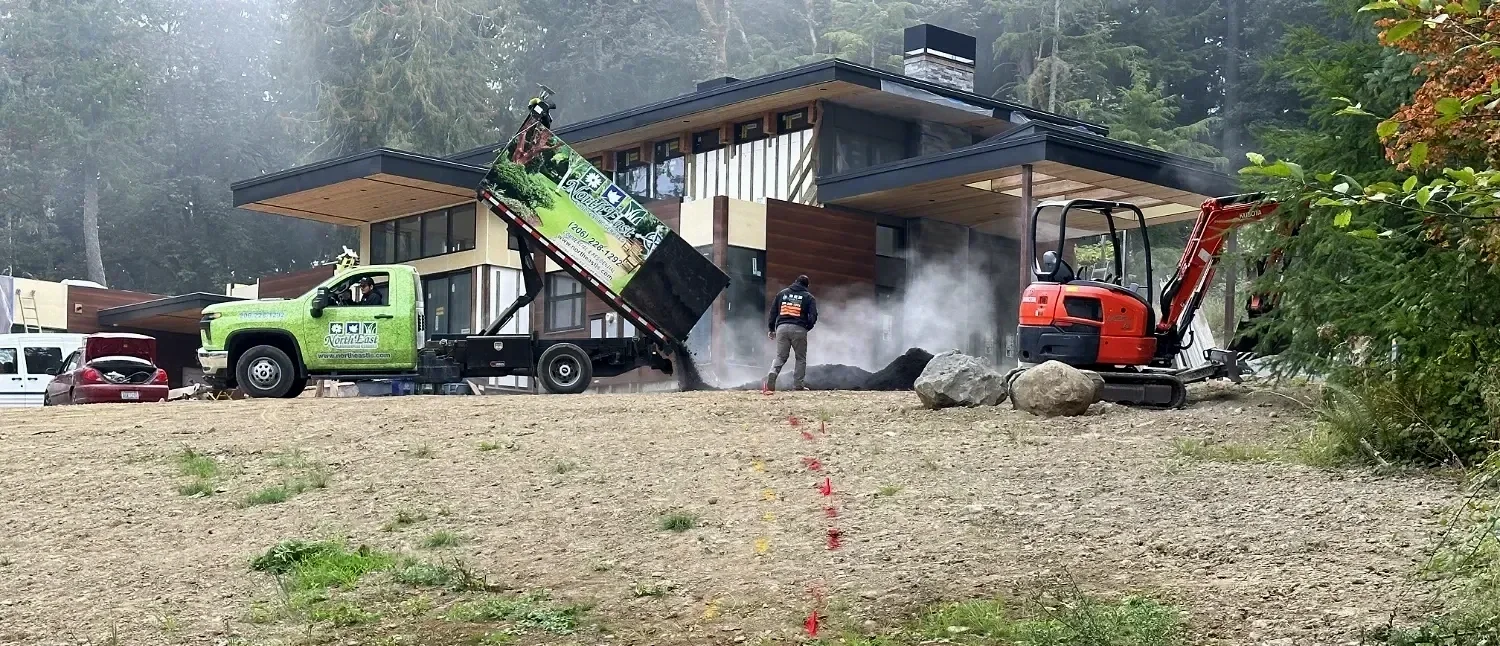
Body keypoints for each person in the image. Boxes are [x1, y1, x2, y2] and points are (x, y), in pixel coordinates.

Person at [764, 275, 817, 392]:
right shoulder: (809, 297)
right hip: (799, 329)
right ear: (807, 285)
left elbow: (773, 312)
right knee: (800, 358)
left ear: (795, 282)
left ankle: (773, 372)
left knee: (780, 356)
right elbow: (813, 316)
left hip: (782, 328)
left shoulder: (782, 294)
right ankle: (798, 385)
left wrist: (771, 329)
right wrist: (807, 327)